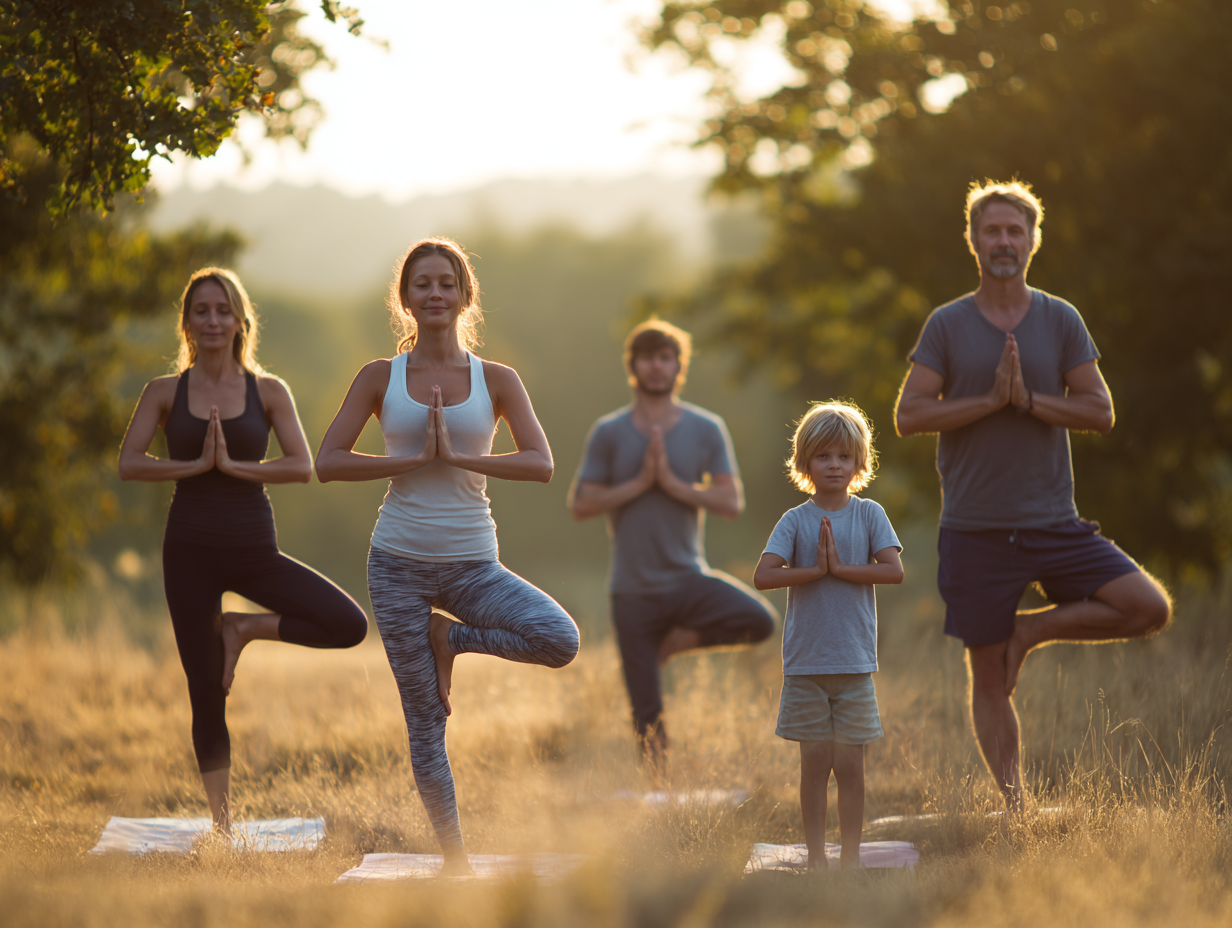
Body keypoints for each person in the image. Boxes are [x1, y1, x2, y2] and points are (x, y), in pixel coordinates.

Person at [894, 180, 1171, 809]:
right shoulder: (948, 324)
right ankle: (1015, 807)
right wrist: (989, 402)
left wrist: (1027, 402)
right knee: (987, 678)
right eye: (991, 230)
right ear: (972, 239)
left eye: (1015, 231)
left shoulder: (1060, 318)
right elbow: (908, 415)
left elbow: (1100, 411)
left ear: (1033, 240)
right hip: (974, 528)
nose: (1003, 241)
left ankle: (1030, 632)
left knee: (1147, 606)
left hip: (1054, 522)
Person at [314, 237, 579, 874]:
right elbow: (328, 461)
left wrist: (459, 456)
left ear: (465, 296)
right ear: (404, 299)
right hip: (397, 563)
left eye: (447, 283)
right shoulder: (381, 377)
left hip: (472, 566)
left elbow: (540, 463)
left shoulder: (497, 380)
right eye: (422, 284)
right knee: (426, 720)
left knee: (558, 638)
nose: (435, 294)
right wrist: (409, 459)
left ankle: (451, 639)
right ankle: (454, 860)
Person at [118, 268, 368, 832]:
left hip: (254, 550)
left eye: (223, 310)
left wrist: (235, 467)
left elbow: (302, 465)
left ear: (240, 320)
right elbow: (129, 462)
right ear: (187, 322)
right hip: (189, 553)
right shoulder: (164, 393)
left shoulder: (267, 390)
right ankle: (223, 826)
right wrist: (196, 467)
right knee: (206, 691)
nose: (212, 320)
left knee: (347, 623)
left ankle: (245, 629)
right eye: (201, 310)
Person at [568, 319, 776, 765]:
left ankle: (672, 643)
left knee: (759, 620)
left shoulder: (706, 427)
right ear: (633, 366)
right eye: (648, 357)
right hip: (631, 591)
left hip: (687, 579)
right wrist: (642, 482)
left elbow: (730, 501)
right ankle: (661, 804)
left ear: (679, 366)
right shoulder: (609, 431)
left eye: (666, 357)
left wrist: (673, 484)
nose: (657, 367)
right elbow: (581, 504)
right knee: (647, 716)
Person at [753, 401, 903, 870]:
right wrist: (814, 571)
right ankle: (817, 857)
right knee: (815, 766)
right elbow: (763, 576)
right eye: (823, 456)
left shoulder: (870, 514)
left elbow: (893, 570)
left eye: (843, 456)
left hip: (856, 665)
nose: (834, 465)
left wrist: (839, 568)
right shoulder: (795, 520)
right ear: (805, 464)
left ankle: (852, 858)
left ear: (859, 462)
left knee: (852, 768)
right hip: (806, 667)